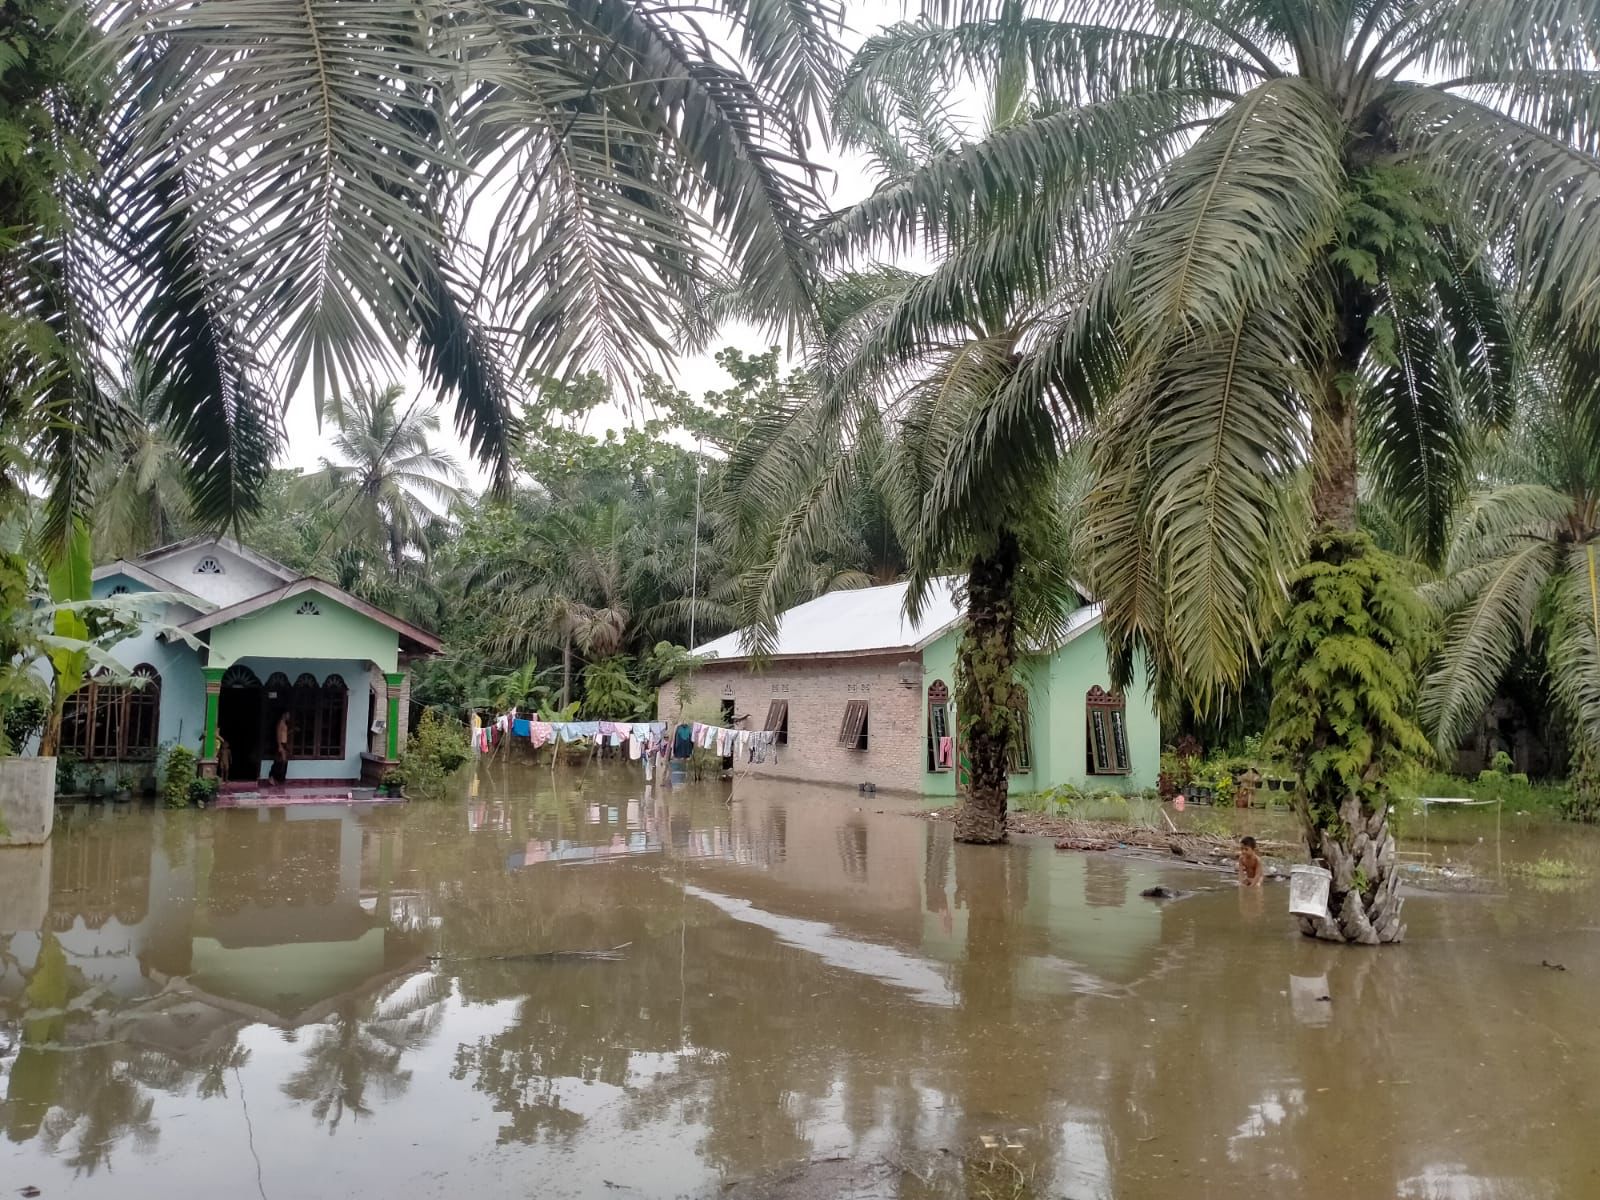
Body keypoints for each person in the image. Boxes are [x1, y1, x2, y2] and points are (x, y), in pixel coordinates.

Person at [270, 711, 290, 785]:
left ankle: (279, 779)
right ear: (284, 714)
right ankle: (272, 777)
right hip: (280, 744)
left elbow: (284, 734)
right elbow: (278, 734)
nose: (289, 716)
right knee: (279, 762)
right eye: (288, 714)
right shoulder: (280, 722)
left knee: (283, 762)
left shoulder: (284, 723)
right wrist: (279, 745)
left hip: (283, 744)